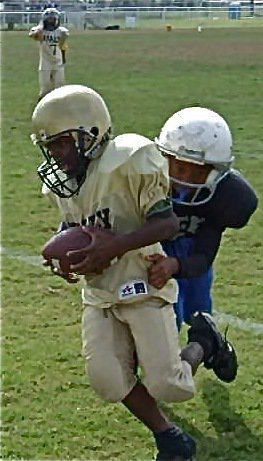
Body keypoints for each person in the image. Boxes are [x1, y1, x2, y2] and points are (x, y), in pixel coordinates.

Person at [31, 85, 233, 461]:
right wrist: (62, 250)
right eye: (50, 146)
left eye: (61, 144)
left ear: (89, 133)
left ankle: (205, 344)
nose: (56, 155)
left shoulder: (129, 160)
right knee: (107, 380)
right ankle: (170, 437)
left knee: (169, 385)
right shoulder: (66, 182)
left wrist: (112, 246)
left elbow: (167, 224)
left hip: (142, 284)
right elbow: (74, 223)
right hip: (100, 292)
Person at [147, 107, 258, 381]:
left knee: (198, 315)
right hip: (154, 258)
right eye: (180, 167)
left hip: (190, 259)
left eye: (198, 173)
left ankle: (208, 345)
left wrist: (176, 264)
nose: (185, 178)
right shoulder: (145, 182)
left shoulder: (224, 198)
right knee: (164, 324)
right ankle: (169, 367)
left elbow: (204, 255)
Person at [29, 7, 69, 100]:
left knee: (60, 85)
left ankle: (59, 105)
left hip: (58, 60)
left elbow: (63, 46)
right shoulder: (40, 31)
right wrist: (40, 28)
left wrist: (63, 58)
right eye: (50, 19)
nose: (52, 21)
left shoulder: (61, 31)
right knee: (45, 86)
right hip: (45, 61)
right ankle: (42, 105)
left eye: (53, 19)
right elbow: (32, 35)